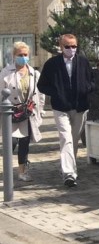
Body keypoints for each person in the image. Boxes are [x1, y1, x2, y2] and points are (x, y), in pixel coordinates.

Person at [37, 33, 94, 188]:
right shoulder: (52, 64)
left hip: (80, 107)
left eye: (74, 46)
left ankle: (69, 167)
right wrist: (56, 92)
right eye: (67, 46)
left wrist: (86, 89)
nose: (71, 49)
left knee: (73, 140)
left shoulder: (83, 62)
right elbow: (41, 85)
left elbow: (92, 80)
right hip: (60, 107)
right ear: (61, 47)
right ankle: (69, 174)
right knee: (66, 137)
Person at [1, 41, 44, 182]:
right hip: (11, 113)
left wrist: (40, 112)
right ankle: (7, 169)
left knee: (24, 143)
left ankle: (22, 171)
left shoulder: (34, 73)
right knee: (11, 142)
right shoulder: (6, 72)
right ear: (14, 55)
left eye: (25, 54)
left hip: (27, 113)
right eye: (20, 55)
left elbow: (40, 95)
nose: (23, 57)